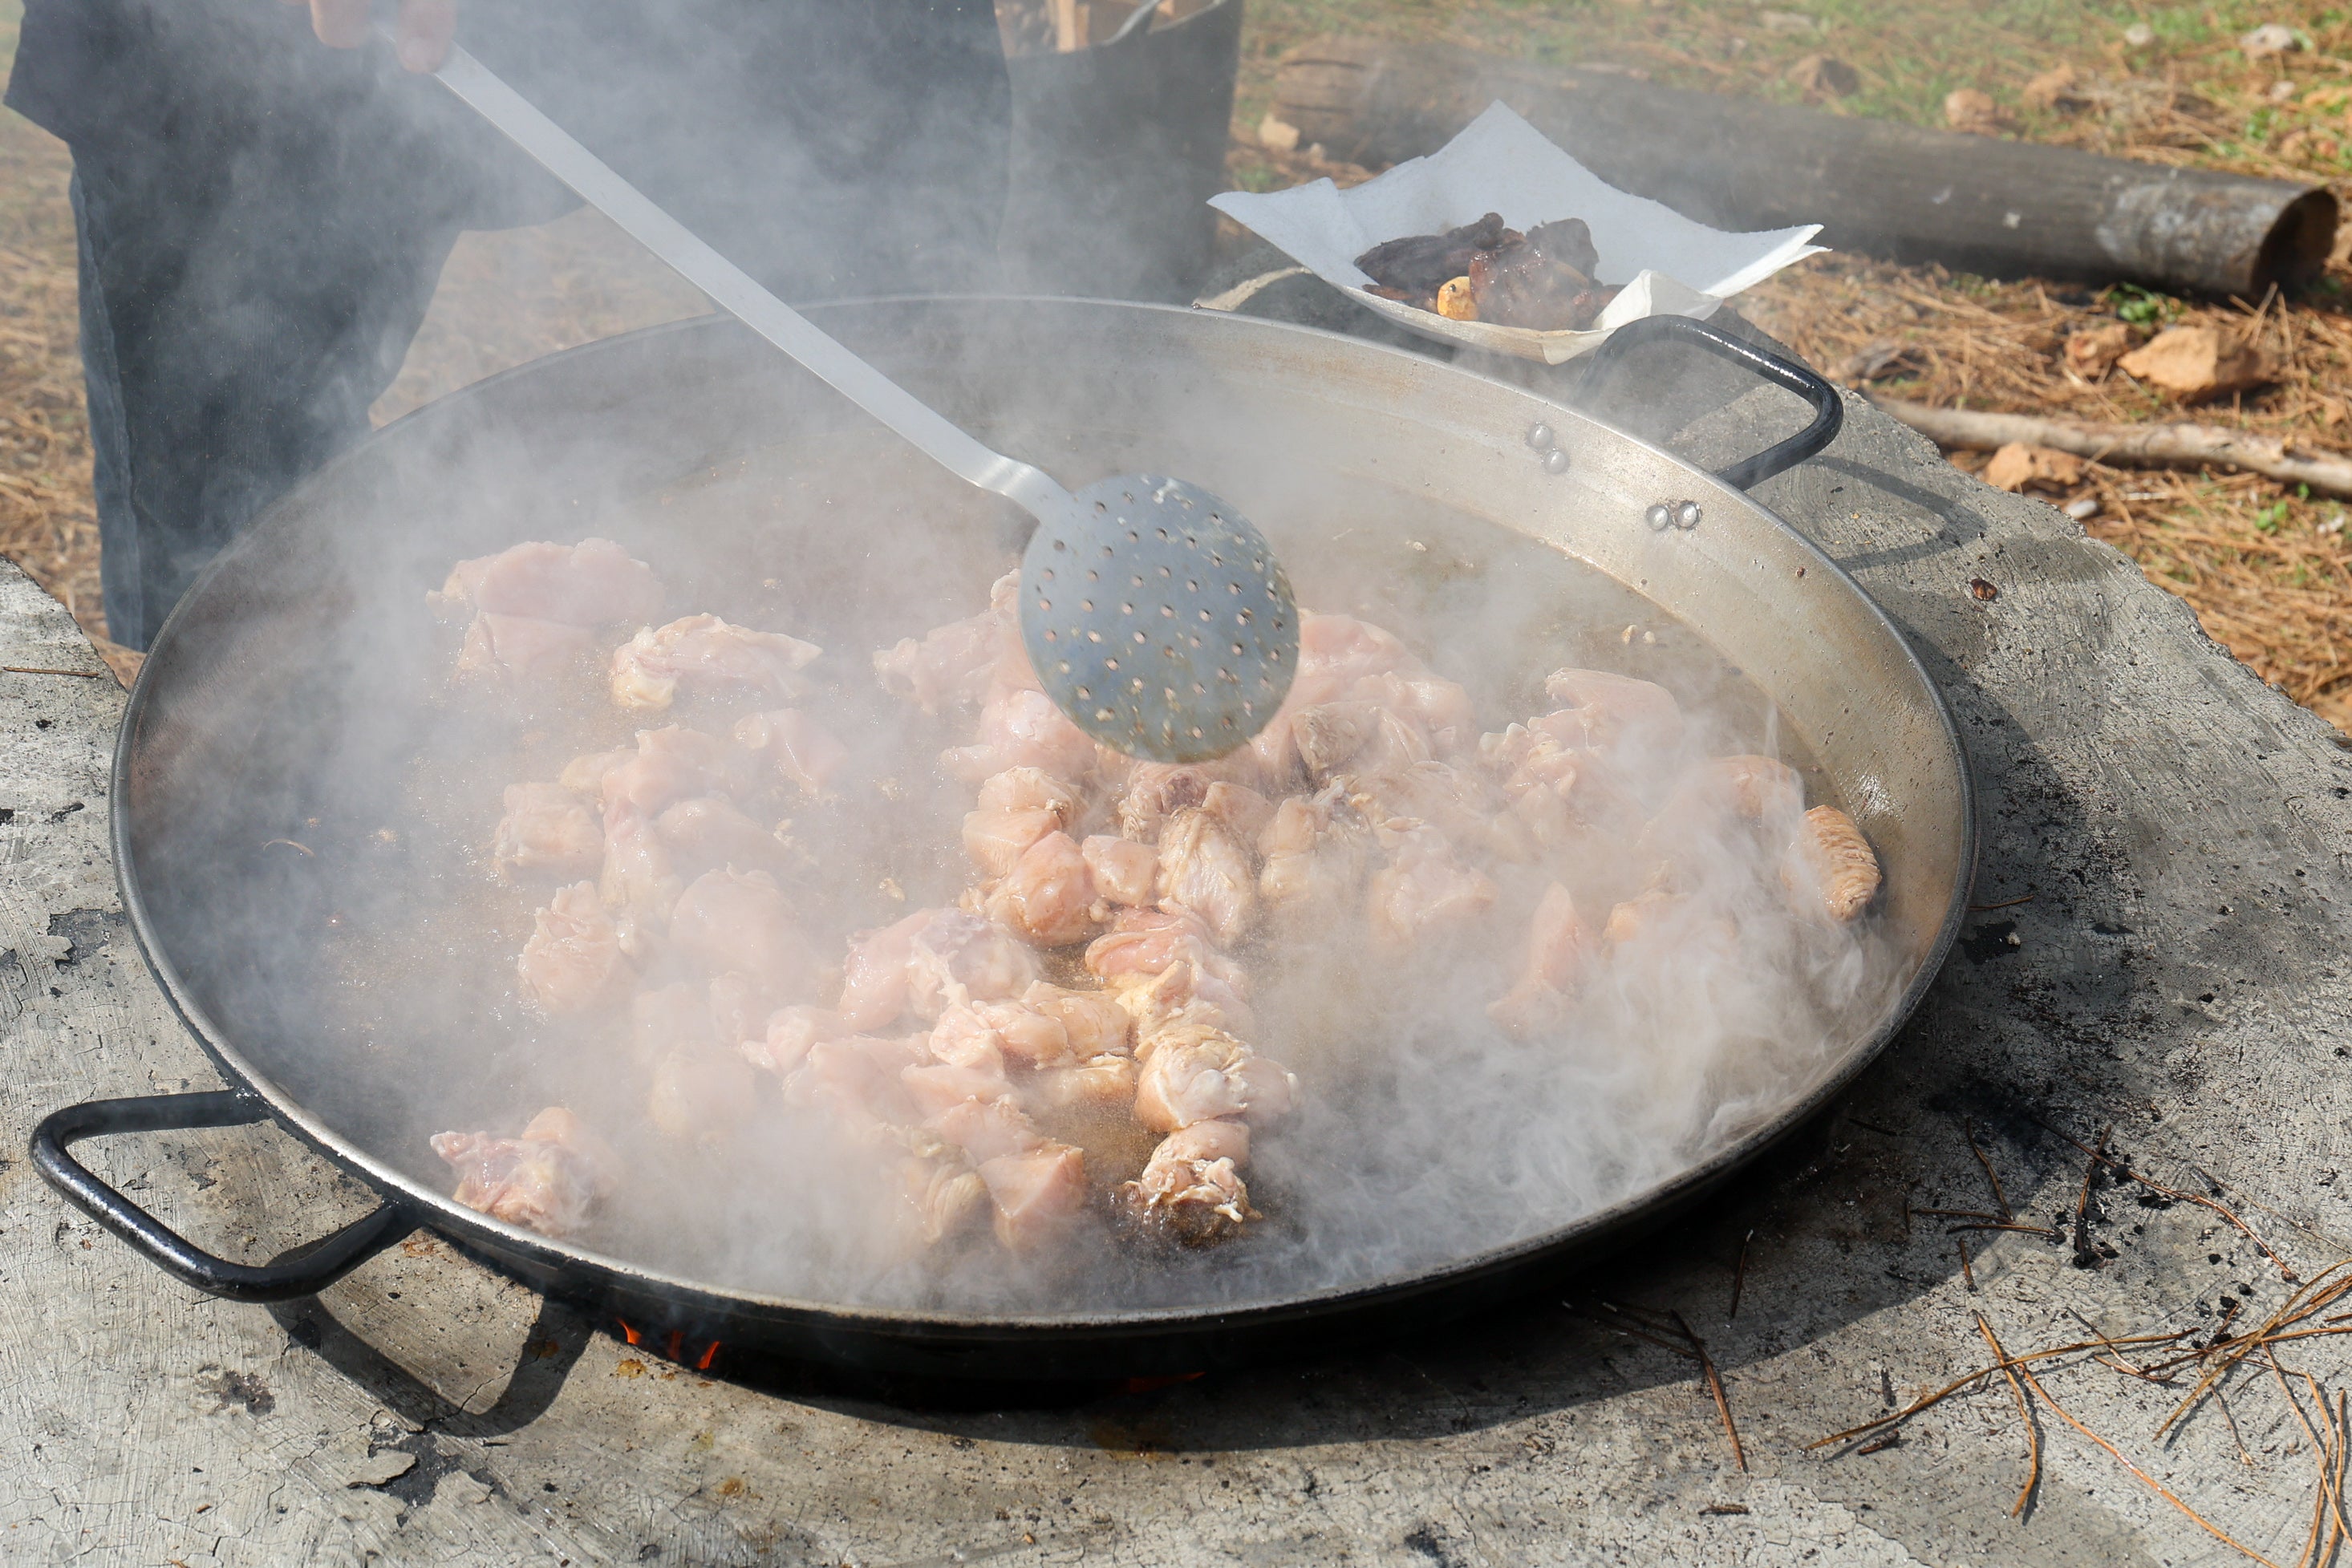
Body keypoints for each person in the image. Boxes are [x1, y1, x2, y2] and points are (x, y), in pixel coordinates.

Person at [6, 0, 1012, 650]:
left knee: (900, 406)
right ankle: (263, 839)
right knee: (238, 545)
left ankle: (935, 671)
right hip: (275, 39)